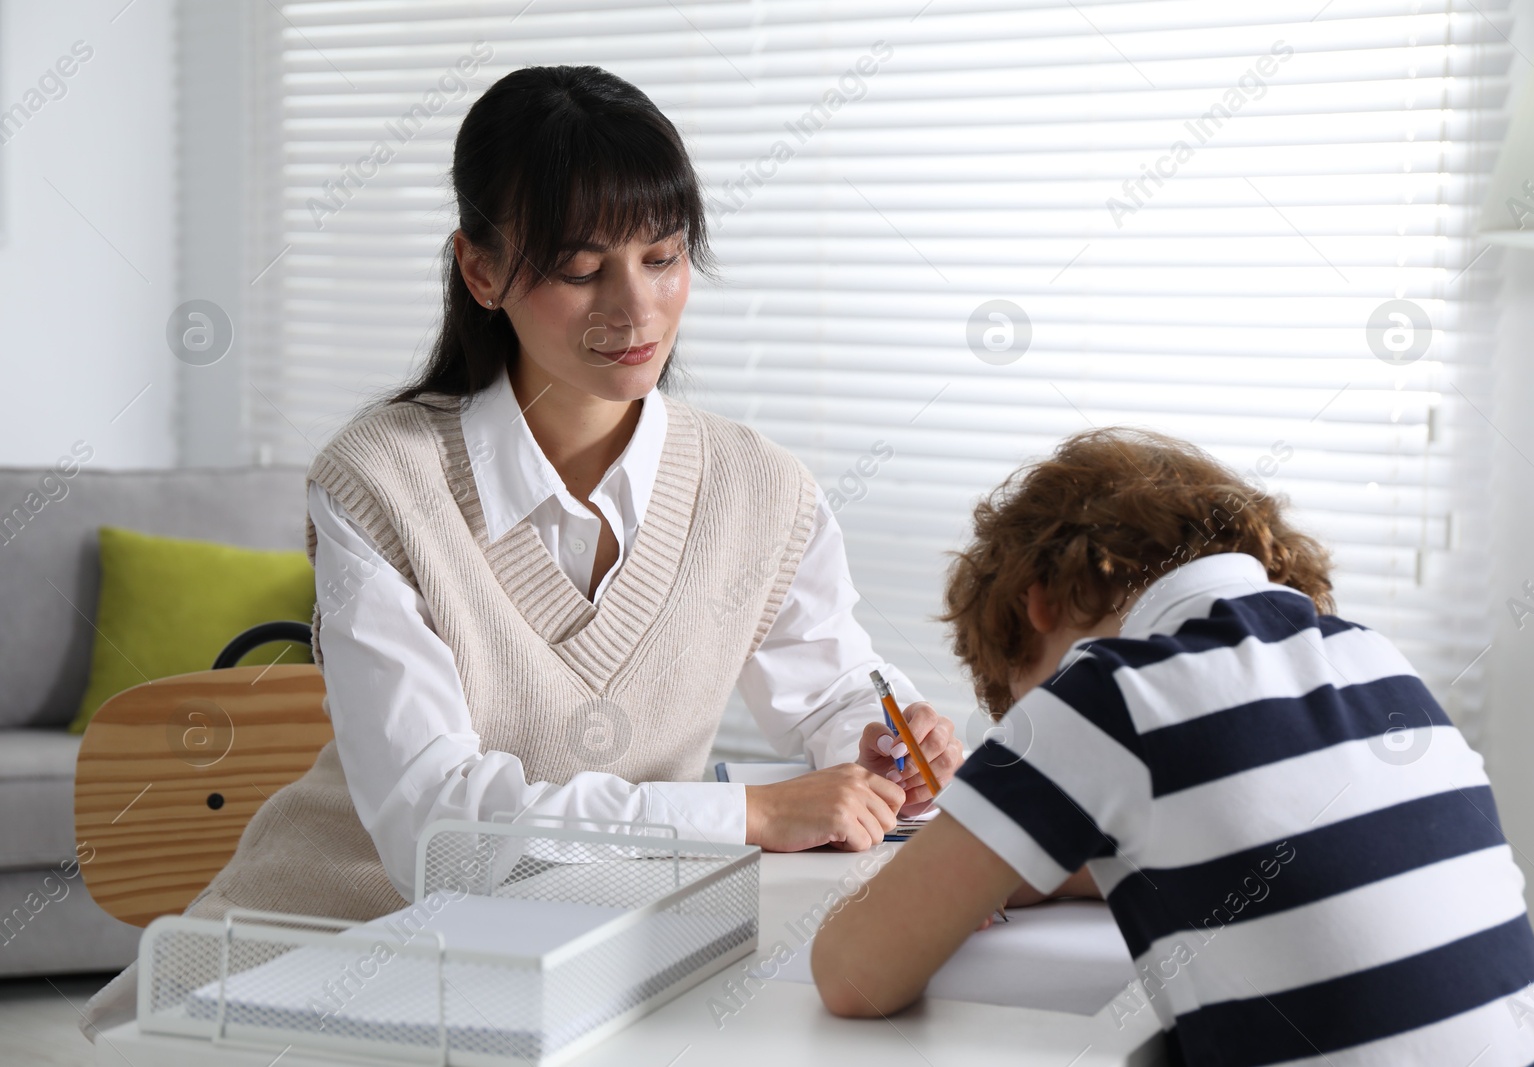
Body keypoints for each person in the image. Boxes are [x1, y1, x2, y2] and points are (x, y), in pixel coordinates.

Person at [80, 64, 960, 1038]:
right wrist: (745, 812)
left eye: (663, 258)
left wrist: (881, 747)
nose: (636, 309)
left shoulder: (761, 485)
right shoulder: (379, 480)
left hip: (591, 970)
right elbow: (440, 833)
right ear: (481, 270)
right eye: (583, 270)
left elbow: (832, 689)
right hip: (315, 962)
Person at [811, 427, 1534, 1067]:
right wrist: (1007, 862)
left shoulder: (1108, 694)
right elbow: (1227, 836)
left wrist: (952, 865)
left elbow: (853, 974)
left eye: (1013, 692)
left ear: (1035, 603)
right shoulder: (1377, 662)